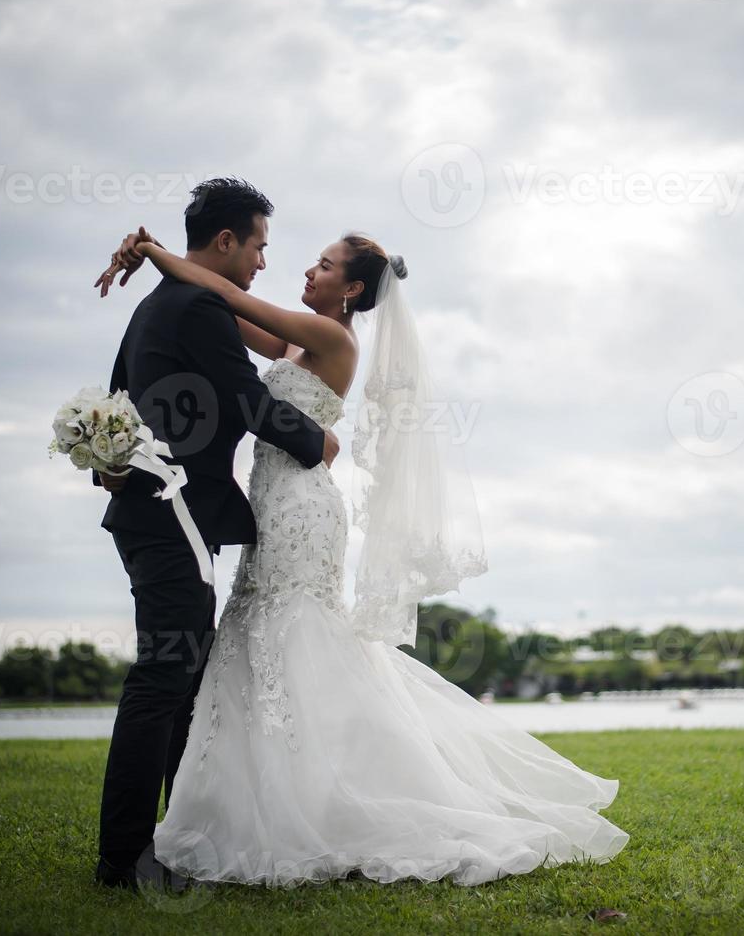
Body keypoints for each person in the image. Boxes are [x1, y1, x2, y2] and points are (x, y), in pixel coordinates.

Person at [93, 224, 629, 887]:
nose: (306, 272)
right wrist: (164, 271)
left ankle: (345, 795)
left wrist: (154, 255)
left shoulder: (332, 337)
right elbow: (218, 314)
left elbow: (224, 293)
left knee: (297, 634)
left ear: (351, 289)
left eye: (323, 266)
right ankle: (251, 805)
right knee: (256, 637)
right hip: (271, 499)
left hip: (301, 506)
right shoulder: (296, 338)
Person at [89, 178, 341, 890]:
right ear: (226, 240)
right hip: (170, 519)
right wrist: (315, 443)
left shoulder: (155, 305)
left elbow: (116, 403)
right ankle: (124, 859)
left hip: (151, 515)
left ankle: (178, 843)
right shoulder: (197, 305)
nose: (264, 262)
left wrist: (107, 471)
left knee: (186, 682)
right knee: (164, 679)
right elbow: (248, 399)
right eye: (259, 245)